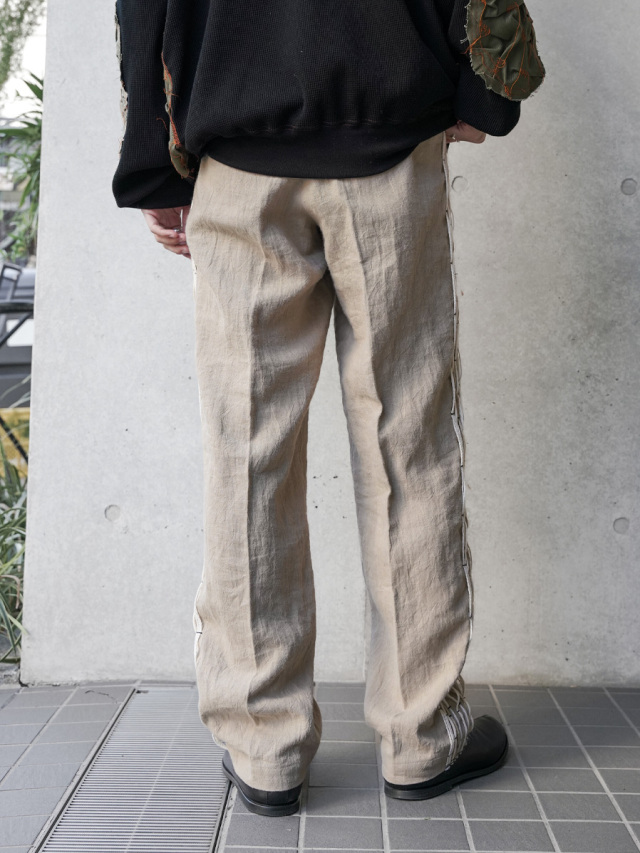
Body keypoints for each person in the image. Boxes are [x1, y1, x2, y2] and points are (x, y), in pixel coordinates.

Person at [112, 0, 545, 819]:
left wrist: (152, 161)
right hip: (390, 130)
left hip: (237, 144)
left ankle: (263, 746)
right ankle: (422, 734)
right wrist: (487, 90)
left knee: (247, 452)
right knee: (408, 440)